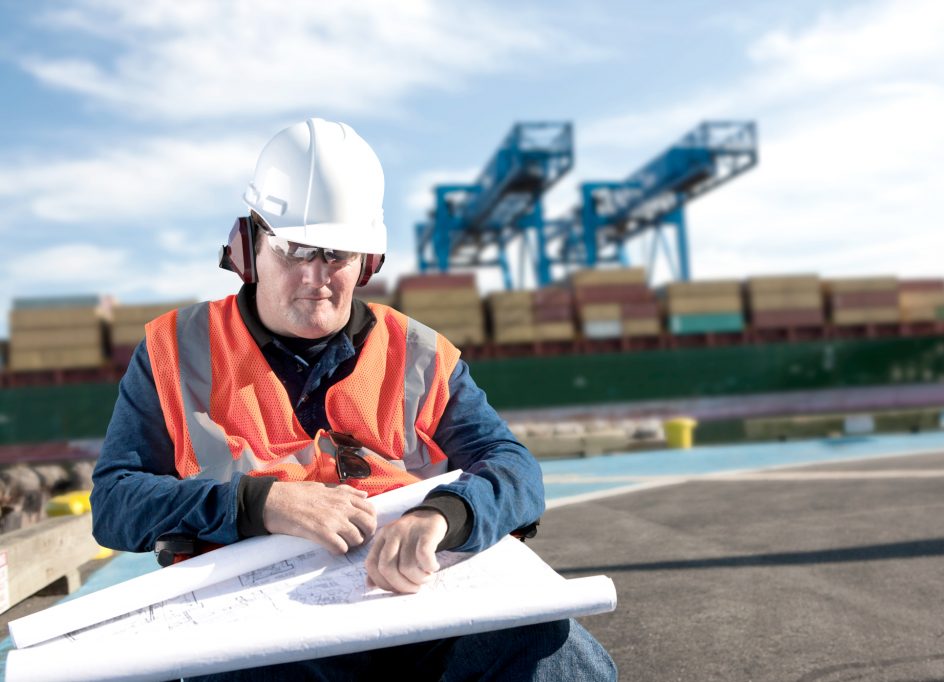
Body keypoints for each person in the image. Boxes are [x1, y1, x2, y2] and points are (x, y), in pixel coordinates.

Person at [91, 117, 616, 680]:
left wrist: (444, 515)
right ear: (250, 247)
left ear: (368, 261)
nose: (317, 275)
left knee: (559, 655)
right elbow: (116, 503)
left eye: (338, 254)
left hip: (412, 610)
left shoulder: (421, 354)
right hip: (258, 634)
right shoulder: (175, 348)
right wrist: (256, 505)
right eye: (295, 249)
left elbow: (515, 469)